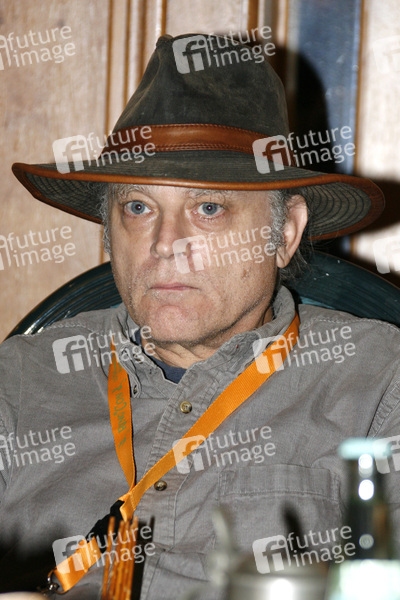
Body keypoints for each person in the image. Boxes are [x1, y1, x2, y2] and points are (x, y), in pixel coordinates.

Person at [1, 32, 400, 599]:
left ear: (285, 233)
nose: (166, 243)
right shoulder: (18, 381)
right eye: (138, 208)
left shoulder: (380, 383)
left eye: (208, 208)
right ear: (108, 233)